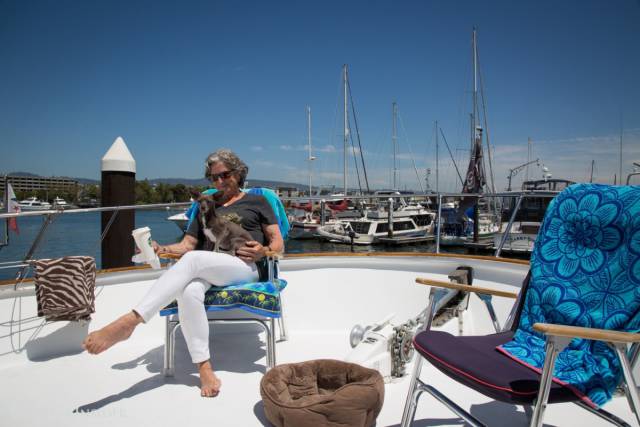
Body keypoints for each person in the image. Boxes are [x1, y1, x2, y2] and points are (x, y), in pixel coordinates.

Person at [83, 149, 284, 398]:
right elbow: (187, 245)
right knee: (189, 290)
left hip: (245, 266)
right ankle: (204, 368)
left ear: (238, 173)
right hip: (209, 267)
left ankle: (130, 321)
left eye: (225, 175)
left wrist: (263, 251)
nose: (219, 182)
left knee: (193, 260)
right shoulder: (205, 206)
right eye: (214, 178)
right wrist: (161, 248)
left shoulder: (258, 202)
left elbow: (278, 243)